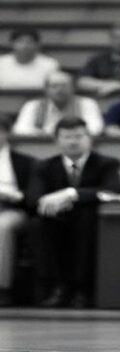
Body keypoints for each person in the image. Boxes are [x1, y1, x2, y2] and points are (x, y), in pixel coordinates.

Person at [27, 116, 120, 308]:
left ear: (89, 138)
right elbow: (33, 198)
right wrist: (50, 201)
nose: (73, 141)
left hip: (90, 220)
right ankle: (55, 288)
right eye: (67, 136)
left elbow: (113, 190)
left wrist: (71, 194)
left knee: (86, 221)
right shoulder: (44, 166)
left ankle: (83, 290)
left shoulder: (106, 163)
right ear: (57, 140)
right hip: (56, 220)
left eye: (78, 136)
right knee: (39, 224)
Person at [0, 115, 36, 306]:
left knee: (1, 226)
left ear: (7, 133)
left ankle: (2, 289)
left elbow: (32, 195)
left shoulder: (24, 161)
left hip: (11, 210)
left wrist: (14, 196)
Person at [12, 71, 103, 137]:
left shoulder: (87, 103)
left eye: (64, 86)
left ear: (73, 88)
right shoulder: (33, 105)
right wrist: (47, 134)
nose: (59, 90)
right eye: (54, 86)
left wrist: (68, 135)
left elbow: (96, 129)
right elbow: (20, 129)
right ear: (46, 90)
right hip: (42, 147)